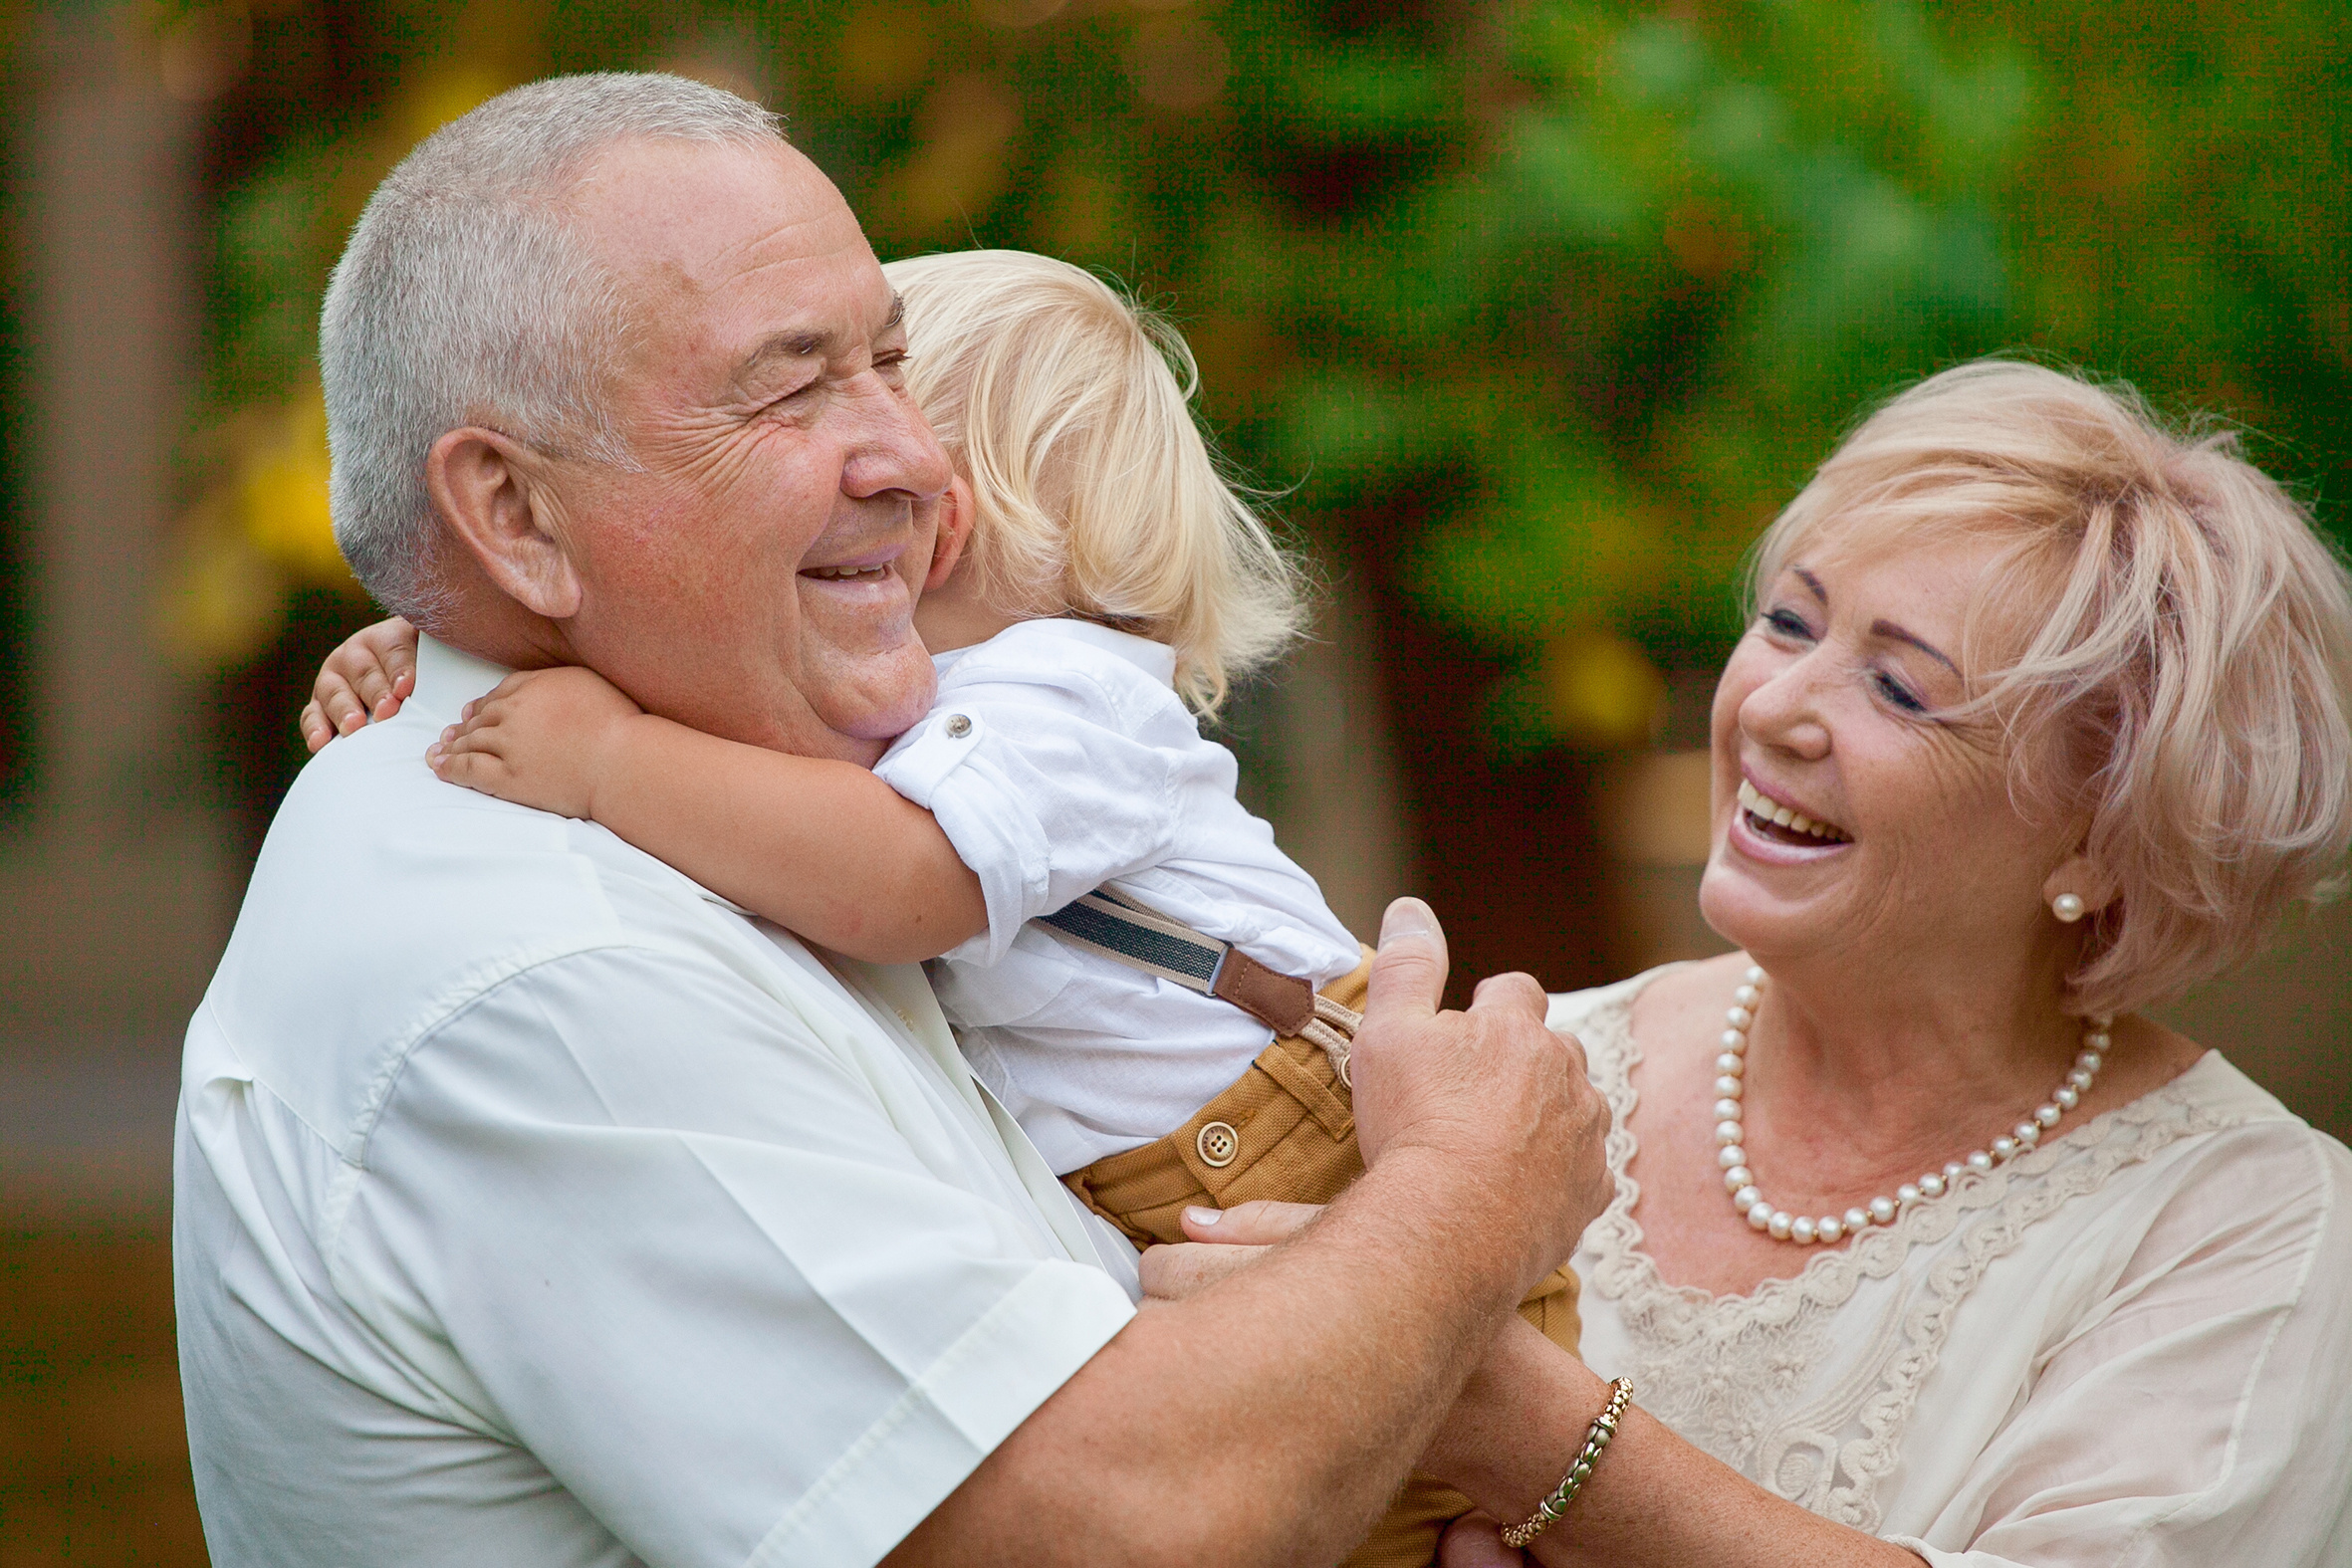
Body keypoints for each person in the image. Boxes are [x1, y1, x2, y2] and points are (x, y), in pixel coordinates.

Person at [174, 70, 1619, 1568]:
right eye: (794, 385)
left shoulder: (638, 787)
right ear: (517, 518)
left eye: (893, 365)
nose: (921, 462)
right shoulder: (554, 974)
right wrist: (1463, 1195)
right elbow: (1125, 1533)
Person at [1179, 360, 2352, 1567]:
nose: (1772, 707)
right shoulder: (1522, 1077)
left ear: (2104, 837)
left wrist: (1510, 1422)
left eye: (1898, 688)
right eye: (1789, 621)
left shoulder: (2252, 1231)